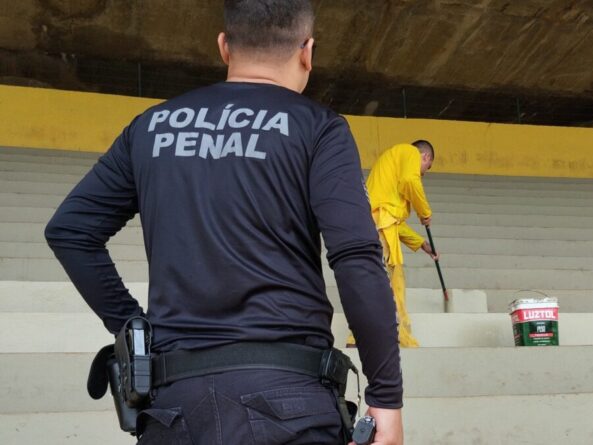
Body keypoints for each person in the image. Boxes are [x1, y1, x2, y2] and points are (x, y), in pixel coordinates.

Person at [44, 1, 403, 444]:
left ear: (223, 46)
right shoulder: (319, 128)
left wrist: (133, 327)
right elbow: (356, 258)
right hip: (289, 405)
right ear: (307, 51)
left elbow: (70, 230)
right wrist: (385, 398)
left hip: (173, 409)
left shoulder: (150, 127)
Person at [347, 141, 438, 348]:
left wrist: (421, 243)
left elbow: (393, 220)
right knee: (377, 284)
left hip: (378, 227)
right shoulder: (410, 152)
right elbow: (410, 180)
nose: (423, 173)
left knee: (392, 283)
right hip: (377, 229)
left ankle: (391, 336)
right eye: (427, 168)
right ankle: (359, 338)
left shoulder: (391, 171)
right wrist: (425, 212)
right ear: (425, 157)